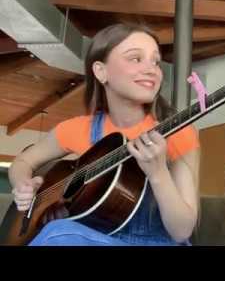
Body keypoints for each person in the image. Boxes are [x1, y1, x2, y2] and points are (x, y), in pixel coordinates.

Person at [8, 23, 200, 246]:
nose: (152, 69)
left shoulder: (178, 132)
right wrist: (23, 184)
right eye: (135, 58)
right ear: (101, 71)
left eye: (155, 61)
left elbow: (182, 231)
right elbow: (23, 161)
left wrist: (158, 174)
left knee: (58, 233)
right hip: (85, 238)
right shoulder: (76, 129)